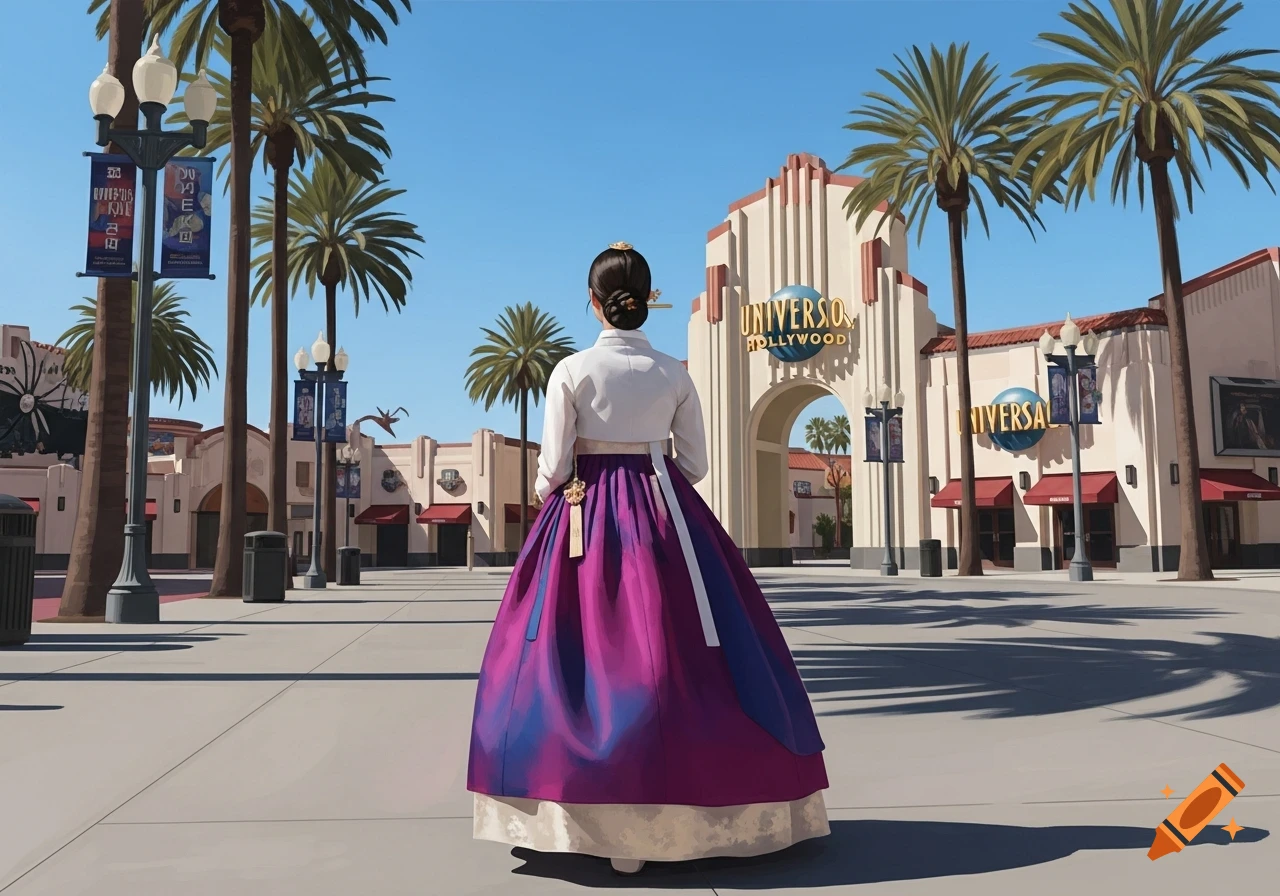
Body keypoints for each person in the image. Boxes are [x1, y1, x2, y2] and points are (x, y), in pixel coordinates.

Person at [468, 243, 829, 875]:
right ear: (647, 299)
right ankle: (703, 812)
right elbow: (697, 463)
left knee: (562, 649)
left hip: (583, 512)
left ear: (593, 301)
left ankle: (586, 812)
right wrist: (651, 476)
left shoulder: (572, 370)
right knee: (692, 644)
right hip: (665, 512)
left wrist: (555, 496)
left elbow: (553, 466)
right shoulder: (673, 373)